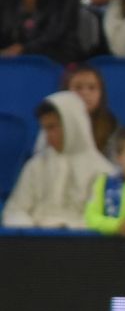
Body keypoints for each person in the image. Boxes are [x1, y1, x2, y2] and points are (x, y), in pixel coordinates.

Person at [1, 91, 112, 229]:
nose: (48, 136)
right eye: (44, 129)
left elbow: (105, 219)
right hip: (35, 245)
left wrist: (65, 230)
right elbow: (14, 210)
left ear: (73, 124)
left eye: (52, 127)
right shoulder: (36, 166)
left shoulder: (104, 171)